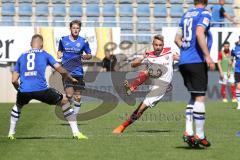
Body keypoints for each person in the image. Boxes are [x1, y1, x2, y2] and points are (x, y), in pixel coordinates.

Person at [8, 34, 88, 140]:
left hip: (24, 90)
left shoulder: (21, 56)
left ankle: (10, 133)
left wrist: (20, 90)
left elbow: (14, 80)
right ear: (41, 44)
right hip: (42, 90)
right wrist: (70, 77)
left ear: (31, 44)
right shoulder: (45, 54)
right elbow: (60, 69)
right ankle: (76, 133)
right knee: (65, 101)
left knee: (18, 106)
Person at [112, 35, 178, 134]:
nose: (158, 47)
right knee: (146, 71)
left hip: (161, 87)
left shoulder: (170, 52)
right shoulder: (149, 55)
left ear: (163, 45)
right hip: (153, 82)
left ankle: (122, 126)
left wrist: (179, 58)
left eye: (160, 45)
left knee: (140, 109)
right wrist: (143, 57)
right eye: (156, 45)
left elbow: (182, 59)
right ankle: (131, 88)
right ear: (153, 45)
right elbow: (133, 64)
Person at [174, 0, 215, 148]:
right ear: (205, 1)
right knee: (200, 98)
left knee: (193, 96)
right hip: (196, 60)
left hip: (184, 61)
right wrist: (207, 55)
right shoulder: (204, 13)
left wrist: (184, 51)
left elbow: (176, 39)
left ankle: (188, 132)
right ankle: (200, 135)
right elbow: (199, 32)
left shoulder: (185, 15)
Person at [57, 20, 92, 117]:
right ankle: (65, 106)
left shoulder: (83, 41)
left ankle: (73, 117)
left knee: (78, 97)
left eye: (77, 28)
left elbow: (89, 55)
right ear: (70, 29)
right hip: (66, 72)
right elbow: (59, 51)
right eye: (74, 28)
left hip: (78, 72)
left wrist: (86, 57)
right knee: (69, 95)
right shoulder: (63, 40)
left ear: (80, 29)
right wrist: (59, 54)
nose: (75, 30)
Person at [231, 36, 240, 109]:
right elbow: (231, 59)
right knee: (238, 87)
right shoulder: (234, 48)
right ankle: (239, 104)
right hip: (237, 70)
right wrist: (229, 70)